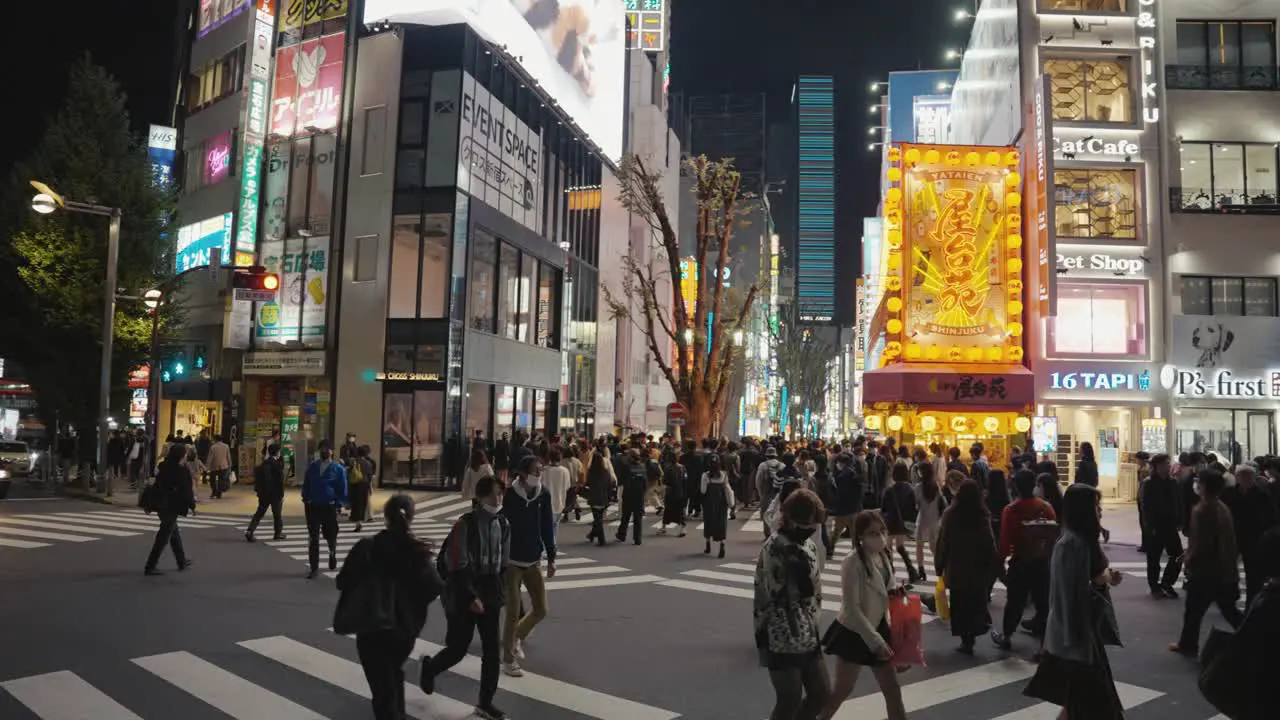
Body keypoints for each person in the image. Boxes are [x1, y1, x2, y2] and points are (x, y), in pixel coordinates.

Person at [1024, 484, 1125, 719]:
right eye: (1095, 506)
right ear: (1083, 510)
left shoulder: (1082, 541)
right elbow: (1067, 595)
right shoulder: (1070, 545)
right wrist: (1101, 579)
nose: (1100, 511)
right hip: (1076, 635)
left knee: (1081, 704)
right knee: (1093, 705)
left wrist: (1105, 578)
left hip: (1085, 633)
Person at [339, 495, 443, 720]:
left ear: (385, 517)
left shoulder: (367, 547)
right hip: (405, 631)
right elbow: (434, 587)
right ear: (411, 517)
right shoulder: (416, 552)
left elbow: (342, 581)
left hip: (371, 628)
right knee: (393, 673)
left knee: (382, 689)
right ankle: (399, 714)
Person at [420, 475, 510, 720]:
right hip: (465, 589)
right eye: (493, 494)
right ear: (480, 497)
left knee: (492, 651)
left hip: (491, 590)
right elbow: (457, 563)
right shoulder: (465, 523)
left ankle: (485, 703)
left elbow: (503, 563)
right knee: (458, 647)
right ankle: (431, 667)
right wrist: (471, 595)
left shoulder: (503, 524)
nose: (498, 498)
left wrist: (502, 594)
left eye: (501, 494)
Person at [818, 510, 906, 720]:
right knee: (843, 689)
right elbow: (852, 608)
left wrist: (895, 593)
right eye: (873, 533)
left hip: (879, 626)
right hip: (855, 632)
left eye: (882, 531)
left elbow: (886, 590)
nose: (880, 537)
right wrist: (876, 642)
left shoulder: (883, 556)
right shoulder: (852, 562)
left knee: (892, 690)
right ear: (860, 537)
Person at [754, 488, 830, 720]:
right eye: (807, 524)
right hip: (780, 631)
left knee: (821, 693)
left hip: (808, 628)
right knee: (789, 698)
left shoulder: (807, 545)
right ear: (791, 520)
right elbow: (785, 591)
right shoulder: (776, 548)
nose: (811, 529)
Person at [1170, 469, 1245, 655]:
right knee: (1228, 610)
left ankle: (1188, 645)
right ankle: (1253, 636)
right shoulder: (1222, 507)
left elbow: (1201, 542)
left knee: (1194, 611)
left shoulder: (1203, 509)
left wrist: (1189, 560)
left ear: (1203, 486)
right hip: (1224, 569)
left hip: (1205, 570)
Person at [499, 455, 557, 677]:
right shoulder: (509, 496)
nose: (539, 474)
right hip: (511, 562)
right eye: (535, 471)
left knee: (541, 609)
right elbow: (501, 527)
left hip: (533, 560)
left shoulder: (543, 494)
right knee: (512, 611)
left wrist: (551, 557)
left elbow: (547, 527)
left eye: (540, 470)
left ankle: (515, 638)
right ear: (522, 474)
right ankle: (507, 660)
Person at [992, 469, 1057, 649]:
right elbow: (1052, 537)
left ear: (1015, 487)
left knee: (1014, 602)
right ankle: (1046, 644)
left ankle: (1006, 636)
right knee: (1043, 604)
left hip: (1020, 562)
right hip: (1042, 563)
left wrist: (999, 565)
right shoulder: (1046, 508)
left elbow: (1005, 542)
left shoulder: (1011, 510)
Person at [936, 479, 998, 654]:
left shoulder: (951, 514)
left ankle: (966, 639)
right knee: (975, 601)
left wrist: (939, 564)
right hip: (977, 568)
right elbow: (989, 541)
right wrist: (994, 563)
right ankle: (975, 630)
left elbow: (943, 541)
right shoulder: (982, 515)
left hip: (957, 567)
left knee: (960, 603)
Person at [1222, 463, 1279, 605]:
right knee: (1228, 569)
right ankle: (1230, 595)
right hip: (1233, 536)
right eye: (1243, 476)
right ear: (1238, 477)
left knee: (1253, 572)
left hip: (1254, 537)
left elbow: (1271, 515)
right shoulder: (1229, 493)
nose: (1247, 480)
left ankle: (1251, 601)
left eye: (1250, 477)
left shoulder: (1261, 494)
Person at [143, 443, 196, 575]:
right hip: (171, 506)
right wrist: (192, 505)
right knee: (163, 538)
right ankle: (150, 565)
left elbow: (157, 487)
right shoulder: (180, 470)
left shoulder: (164, 467)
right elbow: (186, 491)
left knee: (173, 534)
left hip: (162, 505)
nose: (186, 456)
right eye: (184, 453)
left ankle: (181, 561)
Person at [302, 441, 349, 579]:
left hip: (329, 506)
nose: (324, 451)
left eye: (327, 449)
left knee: (330, 534)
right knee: (313, 537)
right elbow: (306, 484)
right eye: (322, 449)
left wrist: (340, 505)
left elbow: (342, 489)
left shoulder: (338, 469)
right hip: (313, 506)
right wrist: (305, 498)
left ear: (332, 451)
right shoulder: (312, 467)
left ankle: (332, 552)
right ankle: (314, 567)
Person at [1140, 453, 1184, 599]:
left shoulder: (1172, 482)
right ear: (1156, 467)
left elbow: (1178, 502)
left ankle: (1167, 582)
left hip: (1170, 524)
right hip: (1155, 525)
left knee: (1178, 555)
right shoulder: (1149, 483)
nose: (1168, 466)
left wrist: (1179, 519)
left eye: (1168, 463)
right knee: (1154, 558)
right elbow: (1145, 507)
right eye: (1164, 464)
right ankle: (1154, 586)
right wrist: (1148, 525)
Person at [881, 463, 920, 583]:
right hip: (903, 522)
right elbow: (914, 507)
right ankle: (911, 571)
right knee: (900, 546)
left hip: (890, 522)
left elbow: (884, 508)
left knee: (888, 548)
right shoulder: (910, 489)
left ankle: (890, 572)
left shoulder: (889, 490)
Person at [245, 443, 286, 542]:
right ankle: (278, 533)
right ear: (277, 452)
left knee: (260, 512)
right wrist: (281, 494)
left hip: (263, 493)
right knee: (277, 514)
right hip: (275, 494)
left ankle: (250, 530)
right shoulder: (277, 465)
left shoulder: (263, 464)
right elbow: (280, 481)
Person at [913, 463, 945, 580]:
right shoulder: (936, 486)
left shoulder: (918, 487)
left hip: (923, 519)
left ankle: (921, 570)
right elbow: (941, 502)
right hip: (935, 519)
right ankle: (940, 569)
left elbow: (915, 505)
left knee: (919, 546)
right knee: (934, 547)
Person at [702, 453, 731, 558]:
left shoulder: (705, 475)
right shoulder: (724, 475)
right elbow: (727, 488)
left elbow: (703, 490)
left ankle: (708, 544)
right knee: (721, 522)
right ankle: (722, 545)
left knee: (709, 521)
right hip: (721, 502)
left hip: (709, 502)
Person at [584, 452, 613, 546]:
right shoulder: (606, 472)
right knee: (599, 518)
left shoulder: (591, 471)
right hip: (604, 497)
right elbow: (610, 484)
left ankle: (601, 539)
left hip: (594, 496)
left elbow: (588, 483)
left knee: (597, 519)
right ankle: (593, 535)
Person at [659, 446, 687, 537]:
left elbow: (665, 481)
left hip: (670, 492)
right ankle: (683, 528)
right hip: (680, 491)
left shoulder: (668, 468)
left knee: (668, 510)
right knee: (680, 510)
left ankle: (663, 527)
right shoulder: (682, 468)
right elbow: (685, 479)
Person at [348, 446, 375, 532]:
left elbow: (349, 473)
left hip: (355, 485)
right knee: (363, 503)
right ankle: (362, 520)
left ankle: (358, 523)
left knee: (356, 504)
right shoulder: (368, 463)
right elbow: (370, 476)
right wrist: (371, 487)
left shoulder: (354, 462)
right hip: (365, 484)